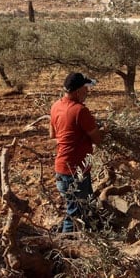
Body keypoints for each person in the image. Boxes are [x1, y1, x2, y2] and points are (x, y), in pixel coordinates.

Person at [50, 72, 104, 233]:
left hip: (66, 169)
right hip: (74, 171)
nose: (88, 92)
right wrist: (103, 131)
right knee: (74, 215)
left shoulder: (56, 106)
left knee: (86, 206)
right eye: (86, 88)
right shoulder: (80, 110)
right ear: (79, 90)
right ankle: (65, 252)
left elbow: (52, 135)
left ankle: (93, 238)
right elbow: (98, 140)